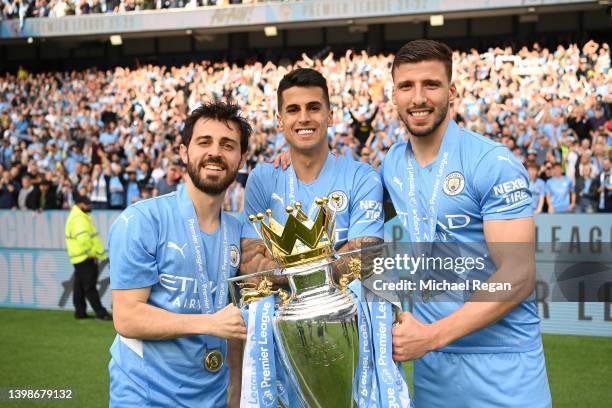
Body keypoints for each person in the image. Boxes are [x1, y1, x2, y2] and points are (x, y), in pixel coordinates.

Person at [382, 39, 551, 407]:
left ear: (452, 91)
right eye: (406, 86)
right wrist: (296, 156)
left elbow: (519, 274)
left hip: (505, 372)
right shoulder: (392, 164)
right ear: (394, 95)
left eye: (431, 84)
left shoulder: (491, 162)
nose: (418, 97)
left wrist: (431, 337)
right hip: (435, 375)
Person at [107, 101, 249, 407]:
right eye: (204, 142)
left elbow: (236, 323)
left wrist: (235, 394)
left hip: (213, 398)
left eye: (228, 145)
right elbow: (127, 317)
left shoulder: (240, 233)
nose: (215, 152)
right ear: (184, 152)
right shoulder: (142, 220)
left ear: (242, 158)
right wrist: (209, 323)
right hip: (145, 397)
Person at [240, 68, 384, 273]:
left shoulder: (362, 177)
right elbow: (250, 265)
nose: (304, 118)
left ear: (330, 116)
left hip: (347, 304)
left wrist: (286, 270)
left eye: (313, 108)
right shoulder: (262, 178)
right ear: (280, 121)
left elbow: (365, 256)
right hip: (282, 305)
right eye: (293, 110)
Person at [64, 193, 112, 320]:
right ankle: (101, 313)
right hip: (86, 257)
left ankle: (80, 312)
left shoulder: (78, 216)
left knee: (79, 286)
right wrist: (94, 255)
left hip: (79, 257)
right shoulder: (79, 219)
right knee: (90, 286)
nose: (90, 206)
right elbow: (84, 240)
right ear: (80, 205)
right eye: (88, 204)